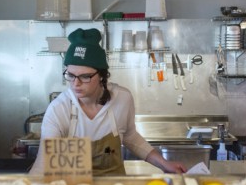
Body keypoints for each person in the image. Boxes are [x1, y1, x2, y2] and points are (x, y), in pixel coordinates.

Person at [31, 28, 185, 176]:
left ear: (102, 76)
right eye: (71, 75)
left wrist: (164, 164)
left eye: (85, 77)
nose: (75, 84)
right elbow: (43, 163)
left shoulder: (122, 99)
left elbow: (131, 137)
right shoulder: (59, 109)